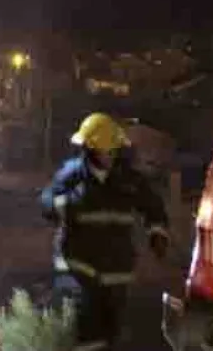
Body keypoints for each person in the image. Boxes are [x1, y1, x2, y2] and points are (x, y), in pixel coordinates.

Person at [40, 112, 170, 351]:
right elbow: (47, 203)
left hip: (116, 270)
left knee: (110, 333)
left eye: (111, 151)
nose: (108, 156)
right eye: (103, 151)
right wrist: (67, 205)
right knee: (86, 329)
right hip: (78, 266)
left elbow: (153, 207)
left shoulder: (129, 180)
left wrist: (157, 233)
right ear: (89, 149)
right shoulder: (73, 175)